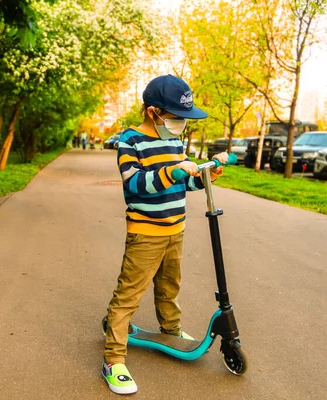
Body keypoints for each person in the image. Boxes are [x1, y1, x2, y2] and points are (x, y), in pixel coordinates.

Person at [101, 74, 228, 395]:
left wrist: (205, 175)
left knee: (169, 286)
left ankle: (170, 330)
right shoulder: (130, 141)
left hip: (176, 229)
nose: (180, 124)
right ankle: (113, 359)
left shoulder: (173, 141)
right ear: (153, 112)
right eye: (175, 118)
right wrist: (172, 170)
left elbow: (184, 182)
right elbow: (134, 185)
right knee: (128, 294)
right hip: (145, 232)